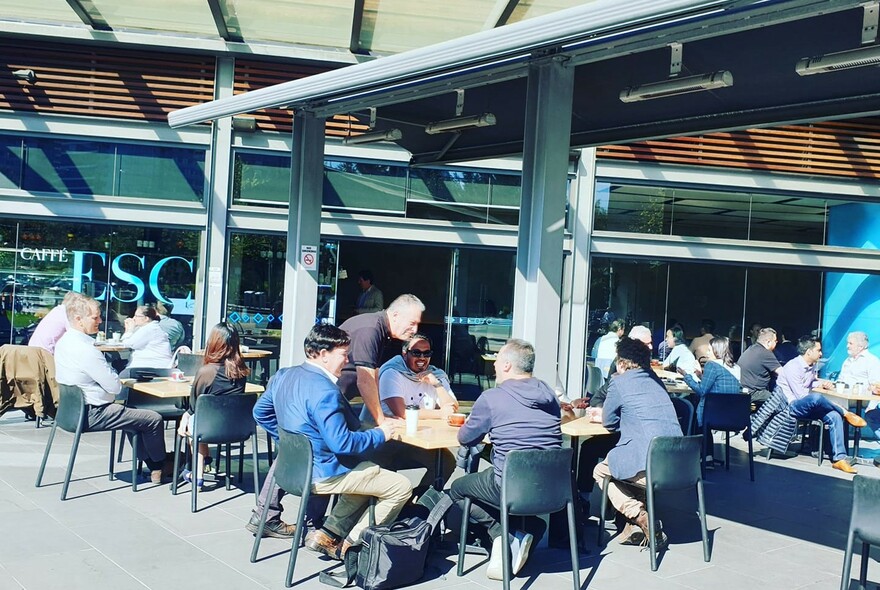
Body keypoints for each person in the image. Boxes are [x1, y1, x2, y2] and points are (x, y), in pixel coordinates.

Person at [247, 324, 411, 554]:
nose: (347, 361)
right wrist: (381, 434)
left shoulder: (283, 375)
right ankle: (349, 546)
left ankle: (329, 533)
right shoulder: (326, 391)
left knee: (369, 470)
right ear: (324, 355)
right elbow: (341, 444)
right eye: (344, 355)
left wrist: (290, 445)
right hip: (321, 475)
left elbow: (260, 413)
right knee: (400, 487)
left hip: (290, 470)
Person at [447, 338, 561, 580]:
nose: (494, 365)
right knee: (497, 464)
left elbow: (465, 438)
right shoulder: (549, 394)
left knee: (457, 489)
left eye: (497, 360)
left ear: (508, 365)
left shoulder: (492, 398)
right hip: (553, 489)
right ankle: (527, 530)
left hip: (510, 485)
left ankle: (502, 533)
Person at [54, 294, 168, 483]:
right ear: (78, 319)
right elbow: (114, 386)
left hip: (69, 413)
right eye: (95, 317)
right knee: (153, 419)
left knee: (133, 418)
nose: (100, 320)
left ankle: (154, 465)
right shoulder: (87, 350)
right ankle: (161, 465)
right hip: (93, 413)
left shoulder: (64, 342)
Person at [593, 337, 682, 547]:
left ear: (621, 363)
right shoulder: (656, 380)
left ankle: (640, 517)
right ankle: (633, 526)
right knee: (629, 463)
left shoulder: (619, 381)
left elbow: (609, 422)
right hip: (681, 466)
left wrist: (602, 414)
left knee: (600, 471)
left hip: (650, 465)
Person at [369, 334, 458, 495]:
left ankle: (418, 503)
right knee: (389, 478)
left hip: (420, 439)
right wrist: (440, 414)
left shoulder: (434, 375)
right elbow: (402, 412)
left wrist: (437, 385)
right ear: (405, 354)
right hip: (390, 439)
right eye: (416, 353)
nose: (422, 358)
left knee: (446, 463)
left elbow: (452, 406)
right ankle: (394, 505)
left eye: (427, 353)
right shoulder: (392, 372)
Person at [777, 336, 866, 474]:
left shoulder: (810, 366)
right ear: (808, 352)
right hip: (792, 405)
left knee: (834, 416)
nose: (821, 354)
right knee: (817, 398)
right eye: (818, 350)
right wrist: (818, 397)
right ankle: (845, 412)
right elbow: (801, 395)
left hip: (808, 405)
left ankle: (839, 459)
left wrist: (821, 384)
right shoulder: (793, 367)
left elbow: (811, 382)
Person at [177, 323, 250, 487]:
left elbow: (195, 405)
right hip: (236, 428)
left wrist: (185, 417)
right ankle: (206, 458)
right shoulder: (241, 371)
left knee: (194, 421)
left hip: (207, 427)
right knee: (199, 418)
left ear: (214, 343)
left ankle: (197, 474)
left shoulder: (207, 371)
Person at [340, 294, 424, 425]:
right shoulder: (370, 329)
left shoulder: (382, 330)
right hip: (324, 400)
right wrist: (382, 420)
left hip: (338, 399)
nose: (415, 330)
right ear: (396, 315)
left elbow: (374, 377)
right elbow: (365, 380)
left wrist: (379, 416)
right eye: (412, 323)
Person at [837, 332, 880, 468]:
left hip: (864, 399)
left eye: (850, 343)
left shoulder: (872, 361)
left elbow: (876, 385)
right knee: (833, 408)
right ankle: (837, 450)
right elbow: (841, 379)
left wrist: (871, 400)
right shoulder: (847, 361)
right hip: (846, 397)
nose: (847, 346)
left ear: (860, 346)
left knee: (871, 415)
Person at [680, 336, 741, 429]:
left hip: (712, 414)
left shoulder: (712, 365)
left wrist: (686, 375)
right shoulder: (736, 368)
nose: (706, 353)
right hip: (732, 416)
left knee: (688, 403)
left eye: (709, 350)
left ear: (716, 351)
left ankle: (696, 439)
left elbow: (701, 391)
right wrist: (701, 376)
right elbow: (720, 384)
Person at [738, 327, 782, 404]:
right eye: (775, 341)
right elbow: (783, 373)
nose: (776, 344)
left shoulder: (751, 349)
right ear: (768, 342)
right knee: (781, 402)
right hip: (755, 393)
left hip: (743, 390)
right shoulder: (765, 353)